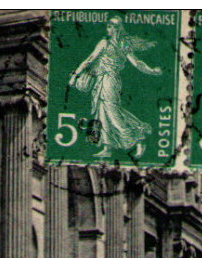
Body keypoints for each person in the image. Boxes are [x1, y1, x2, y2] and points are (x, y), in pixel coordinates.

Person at [69, 16, 163, 158]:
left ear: (118, 28)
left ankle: (137, 138)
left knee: (111, 111)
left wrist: (151, 70)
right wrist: (75, 74)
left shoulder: (120, 44)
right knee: (102, 112)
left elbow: (137, 62)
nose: (109, 28)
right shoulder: (106, 43)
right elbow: (90, 60)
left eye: (112, 26)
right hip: (101, 79)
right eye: (109, 26)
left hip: (110, 80)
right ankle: (107, 147)